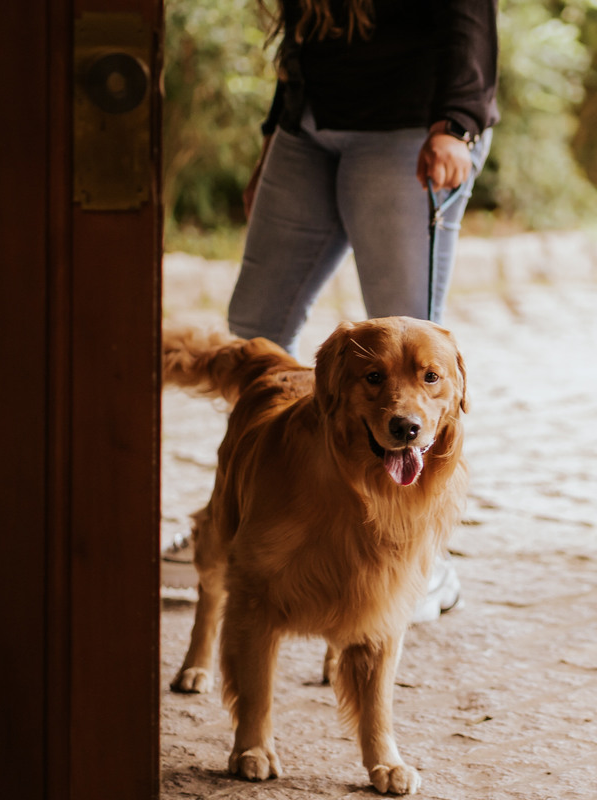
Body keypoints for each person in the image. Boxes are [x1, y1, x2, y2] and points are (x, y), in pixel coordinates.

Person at [164, 0, 499, 622]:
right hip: (308, 126)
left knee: (406, 349)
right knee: (256, 328)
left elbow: (466, 12)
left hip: (408, 124)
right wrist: (273, 138)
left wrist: (457, 120)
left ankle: (421, 557)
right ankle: (236, 515)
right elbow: (300, 37)